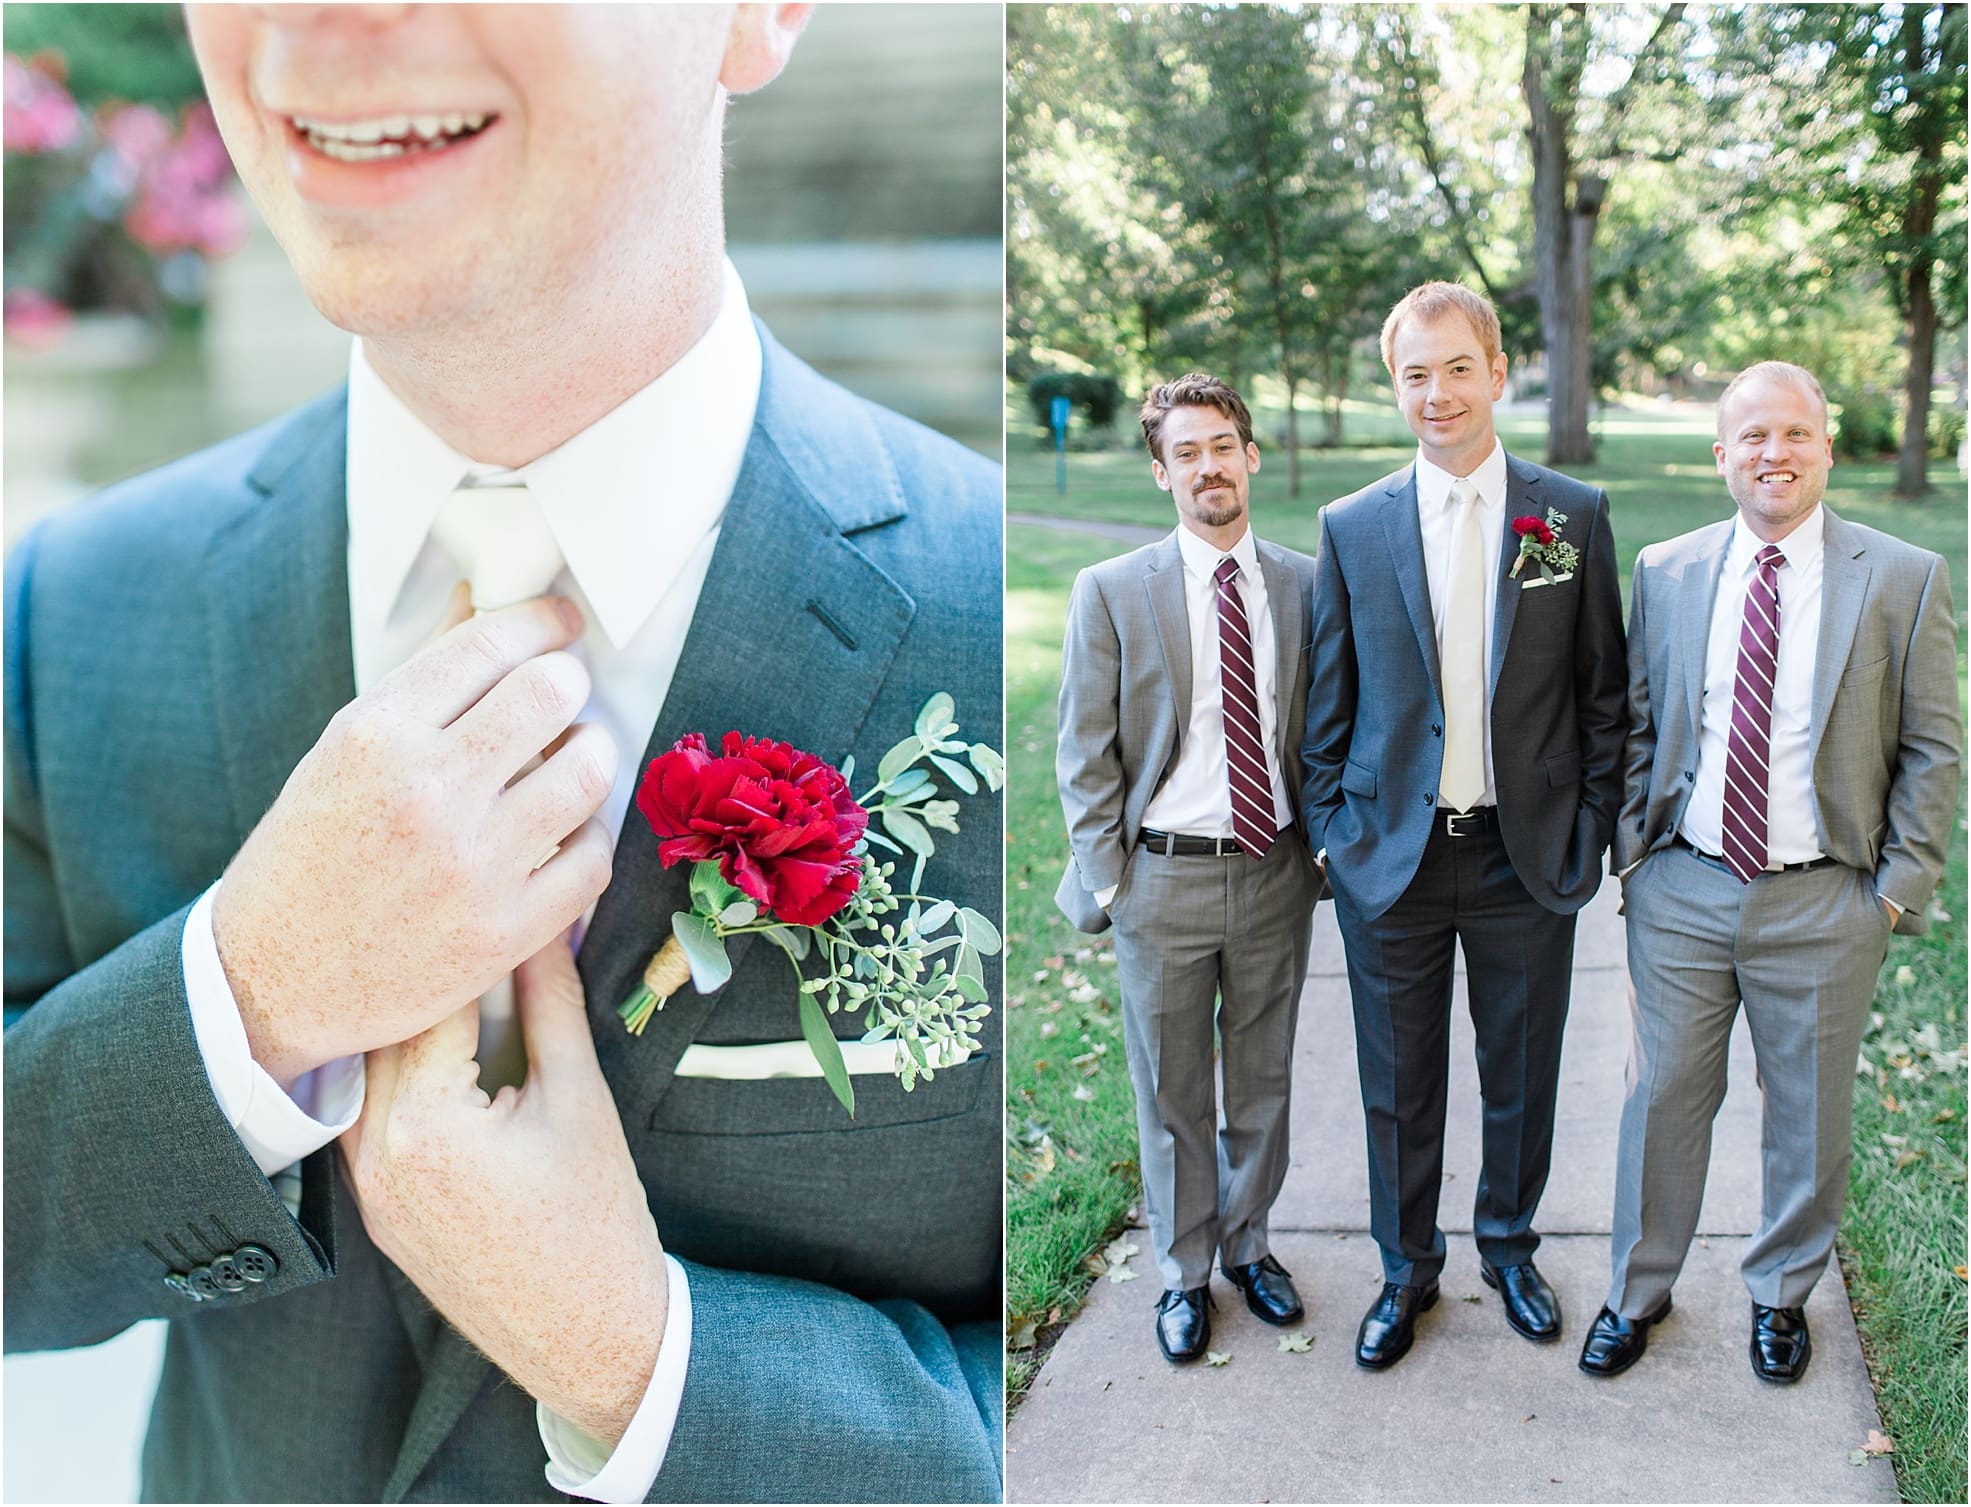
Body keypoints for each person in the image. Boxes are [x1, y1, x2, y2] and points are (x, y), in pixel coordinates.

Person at [2, 6, 1002, 1502]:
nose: (327, 22)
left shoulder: (993, 618)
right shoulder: (70, 607)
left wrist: (632, 1354)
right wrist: (244, 999)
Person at [1582, 361, 1960, 1383]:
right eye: (1752, 435)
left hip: (1826, 895)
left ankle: (1782, 1294)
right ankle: (1637, 1290)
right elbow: (1640, 723)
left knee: (1808, 1109)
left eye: (1795, 432)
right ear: (1722, 455)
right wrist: (1635, 859)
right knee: (1661, 1099)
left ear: (1826, 447)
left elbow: (1934, 749)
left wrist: (1894, 892)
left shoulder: (1901, 576)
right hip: (1683, 886)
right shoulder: (1667, 569)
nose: (1774, 453)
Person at [1301, 281, 1627, 1369]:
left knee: (1522, 1071)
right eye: (1415, 374)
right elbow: (1327, 705)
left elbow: (1601, 692)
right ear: (1394, 385)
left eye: (1455, 369)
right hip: (1388, 854)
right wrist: (1333, 831)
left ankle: (1509, 1247)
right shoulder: (1353, 525)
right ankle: (1405, 1268)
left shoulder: (1565, 516)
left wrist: (1588, 823)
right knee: (1397, 1084)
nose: (1436, 392)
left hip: (1523, 854)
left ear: (1496, 372)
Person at [1055, 373, 1323, 1363]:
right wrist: (1111, 879)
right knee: (1170, 1088)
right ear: (1162, 473)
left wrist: (1319, 850)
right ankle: (1182, 1269)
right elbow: (1084, 751)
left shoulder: (1306, 584)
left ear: (1248, 457)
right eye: (1186, 452)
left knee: (1262, 1078)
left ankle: (1249, 1247)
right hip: (1160, 878)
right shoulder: (1112, 590)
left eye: (1221, 446)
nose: (1207, 466)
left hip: (1274, 869)